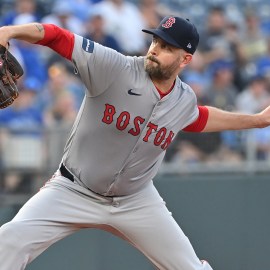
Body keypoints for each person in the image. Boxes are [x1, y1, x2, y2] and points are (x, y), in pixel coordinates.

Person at [0, 15, 270, 270]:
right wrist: (9, 31)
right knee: (9, 240)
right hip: (73, 189)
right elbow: (57, 36)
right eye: (155, 41)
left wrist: (258, 121)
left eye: (166, 47)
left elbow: (199, 118)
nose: (155, 49)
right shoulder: (114, 67)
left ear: (185, 59)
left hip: (136, 200)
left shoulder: (183, 100)